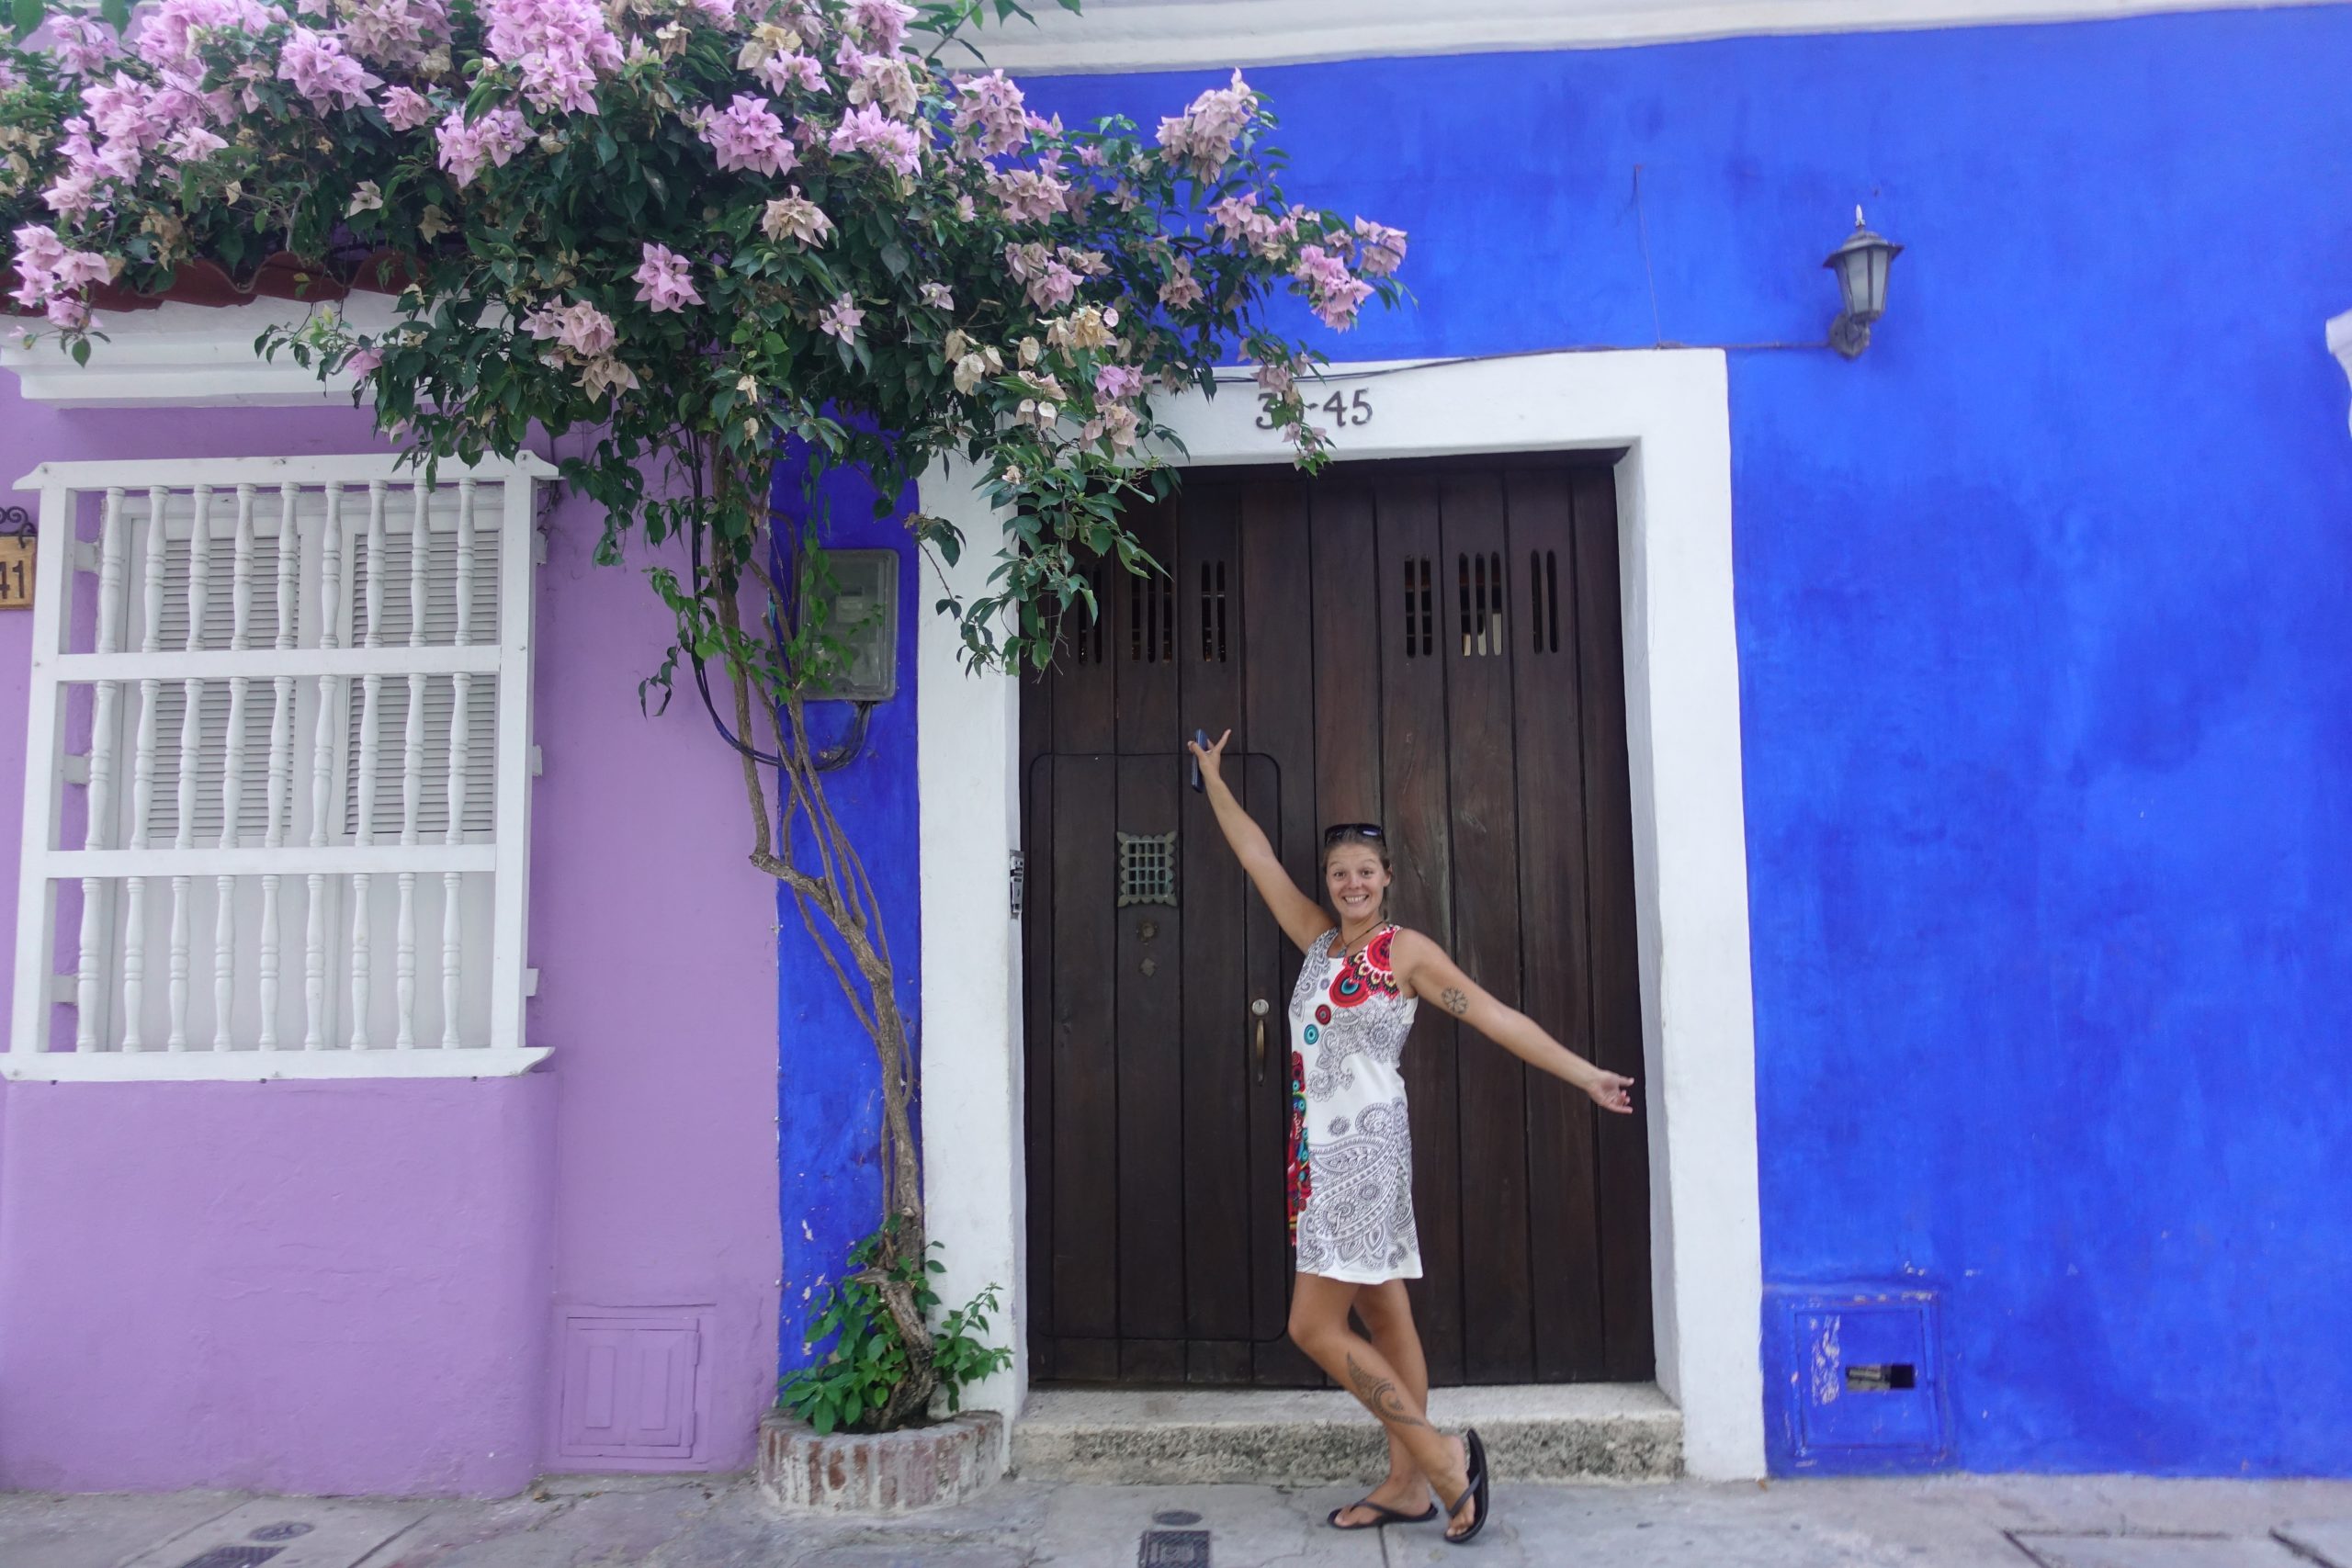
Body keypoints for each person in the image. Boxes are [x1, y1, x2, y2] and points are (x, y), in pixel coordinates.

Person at [1186, 728, 1637, 1546]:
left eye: (1365, 871)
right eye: (1339, 873)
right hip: (1319, 1161)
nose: (1351, 883)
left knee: (1312, 1328)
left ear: (1388, 879)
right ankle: (1404, 1485)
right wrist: (1212, 778)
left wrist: (1584, 1074)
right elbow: (1255, 856)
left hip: (1363, 1159)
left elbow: (1496, 1016)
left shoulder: (1405, 954)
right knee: (1387, 1320)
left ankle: (1441, 1462)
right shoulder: (1319, 943)